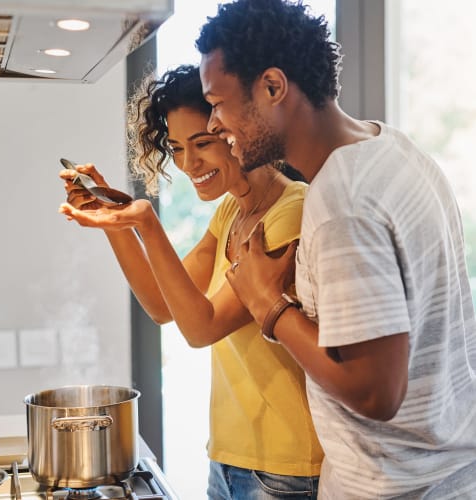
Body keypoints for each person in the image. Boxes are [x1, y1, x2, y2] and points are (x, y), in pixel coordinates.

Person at [195, 1, 476, 498]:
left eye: (218, 103)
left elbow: (375, 391)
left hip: (390, 488)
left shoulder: (341, 201)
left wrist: (270, 305)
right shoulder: (396, 150)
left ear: (273, 87)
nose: (214, 124)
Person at [58, 64, 323, 499]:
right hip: (230, 457)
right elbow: (164, 306)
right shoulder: (232, 212)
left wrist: (146, 222)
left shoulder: (290, 212)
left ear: (238, 130)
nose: (187, 163)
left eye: (202, 143)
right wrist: (116, 222)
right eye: (177, 148)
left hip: (286, 468)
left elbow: (202, 328)